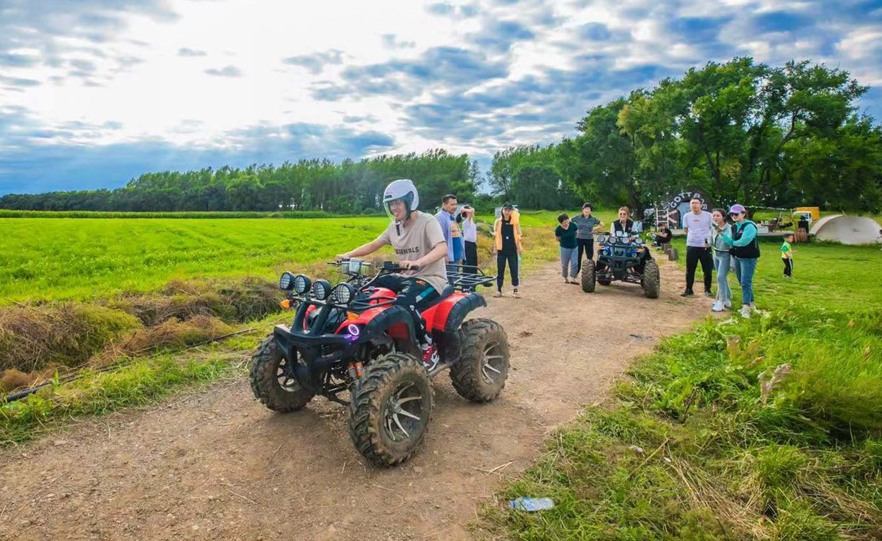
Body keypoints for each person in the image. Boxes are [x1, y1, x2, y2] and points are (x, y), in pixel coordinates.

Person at [337, 179, 448, 363]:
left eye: (397, 202)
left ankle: (427, 347)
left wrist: (418, 262)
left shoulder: (427, 221)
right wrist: (348, 254)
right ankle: (363, 337)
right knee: (365, 288)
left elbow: (442, 248)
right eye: (391, 204)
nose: (394, 208)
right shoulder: (394, 227)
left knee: (405, 302)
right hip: (405, 277)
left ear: (410, 201)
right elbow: (374, 244)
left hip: (430, 278)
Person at [721, 204, 761, 318]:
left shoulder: (750, 226)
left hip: (748, 258)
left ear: (743, 214)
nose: (733, 216)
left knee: (745, 282)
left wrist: (731, 242)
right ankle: (752, 305)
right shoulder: (734, 226)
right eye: (731, 214)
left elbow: (744, 241)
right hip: (737, 257)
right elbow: (731, 240)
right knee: (742, 282)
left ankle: (745, 307)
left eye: (736, 214)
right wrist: (725, 237)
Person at [681, 197, 714, 298]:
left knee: (707, 269)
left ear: (701, 205)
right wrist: (693, 236)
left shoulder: (708, 216)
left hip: (705, 245)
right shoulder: (687, 216)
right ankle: (689, 289)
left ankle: (707, 289)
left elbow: (712, 228)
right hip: (691, 245)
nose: (694, 205)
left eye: (696, 203)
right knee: (690, 269)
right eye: (692, 203)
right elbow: (685, 229)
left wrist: (708, 240)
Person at [493, 202, 523, 298]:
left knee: (514, 270)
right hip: (501, 250)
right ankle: (499, 290)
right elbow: (496, 236)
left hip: (512, 249)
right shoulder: (498, 222)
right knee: (500, 270)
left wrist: (519, 248)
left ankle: (515, 290)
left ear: (511, 211)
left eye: (509, 210)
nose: (507, 212)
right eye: (505, 210)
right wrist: (495, 248)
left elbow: (518, 235)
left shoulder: (515, 222)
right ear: (502, 210)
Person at [710, 209, 733, 312]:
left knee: (720, 277)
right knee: (722, 278)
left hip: (725, 254)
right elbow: (711, 239)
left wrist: (722, 233)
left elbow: (730, 242)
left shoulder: (730, 228)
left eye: (718, 216)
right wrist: (707, 242)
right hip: (716, 253)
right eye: (714, 216)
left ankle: (721, 301)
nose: (715, 218)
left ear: (723, 217)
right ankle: (727, 298)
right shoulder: (714, 227)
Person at [435, 194, 463, 265]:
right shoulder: (440, 217)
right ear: (444, 205)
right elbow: (439, 238)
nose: (455, 207)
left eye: (456, 204)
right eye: (452, 205)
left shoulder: (451, 217)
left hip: (455, 257)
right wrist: (444, 255)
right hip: (448, 259)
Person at [555, 213, 580, 284]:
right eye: (564, 221)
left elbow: (577, 232)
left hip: (574, 247)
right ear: (561, 222)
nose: (566, 222)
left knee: (575, 263)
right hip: (564, 248)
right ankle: (565, 277)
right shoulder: (558, 229)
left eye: (567, 220)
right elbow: (558, 238)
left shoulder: (573, 225)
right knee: (564, 264)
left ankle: (573, 278)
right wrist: (564, 242)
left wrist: (575, 240)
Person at [460, 205, 478, 269]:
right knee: (469, 263)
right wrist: (464, 210)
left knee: (473, 263)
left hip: (472, 244)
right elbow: (472, 210)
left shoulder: (471, 221)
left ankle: (473, 274)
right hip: (468, 244)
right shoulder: (466, 221)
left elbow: (472, 210)